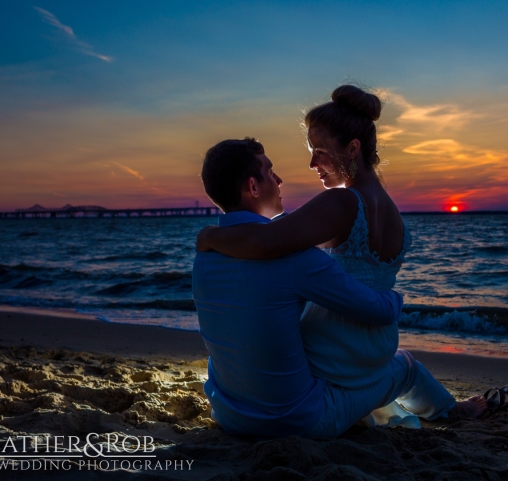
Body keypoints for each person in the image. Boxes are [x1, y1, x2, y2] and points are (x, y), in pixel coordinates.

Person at [197, 86, 492, 426]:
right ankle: (435, 407)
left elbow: (267, 239)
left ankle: (434, 408)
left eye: (319, 151)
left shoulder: (341, 203)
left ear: (353, 149)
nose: (311, 163)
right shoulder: (392, 211)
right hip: (375, 344)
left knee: (389, 371)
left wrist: (211, 235)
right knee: (397, 370)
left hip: (334, 347)